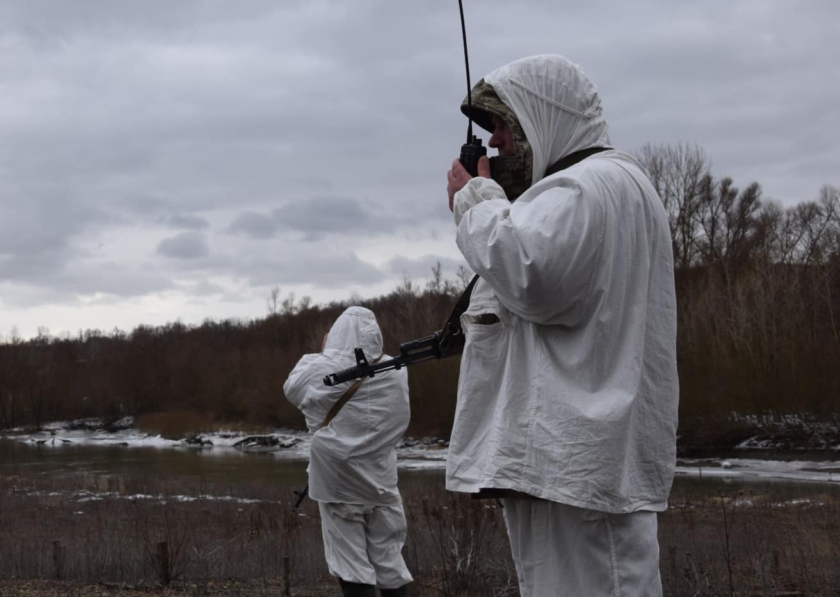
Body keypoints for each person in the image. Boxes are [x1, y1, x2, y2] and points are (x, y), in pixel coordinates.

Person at [444, 54, 679, 596]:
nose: (496, 140)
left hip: (577, 467)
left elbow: (531, 274)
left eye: (502, 123)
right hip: (566, 464)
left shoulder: (587, 186)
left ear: (541, 115)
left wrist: (475, 203)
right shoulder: (602, 186)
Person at [283, 306, 413, 597]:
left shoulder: (321, 368)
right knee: (390, 561)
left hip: (338, 481)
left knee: (350, 564)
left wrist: (326, 351)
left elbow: (293, 387)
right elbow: (399, 419)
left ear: (339, 333)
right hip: (381, 477)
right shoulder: (396, 370)